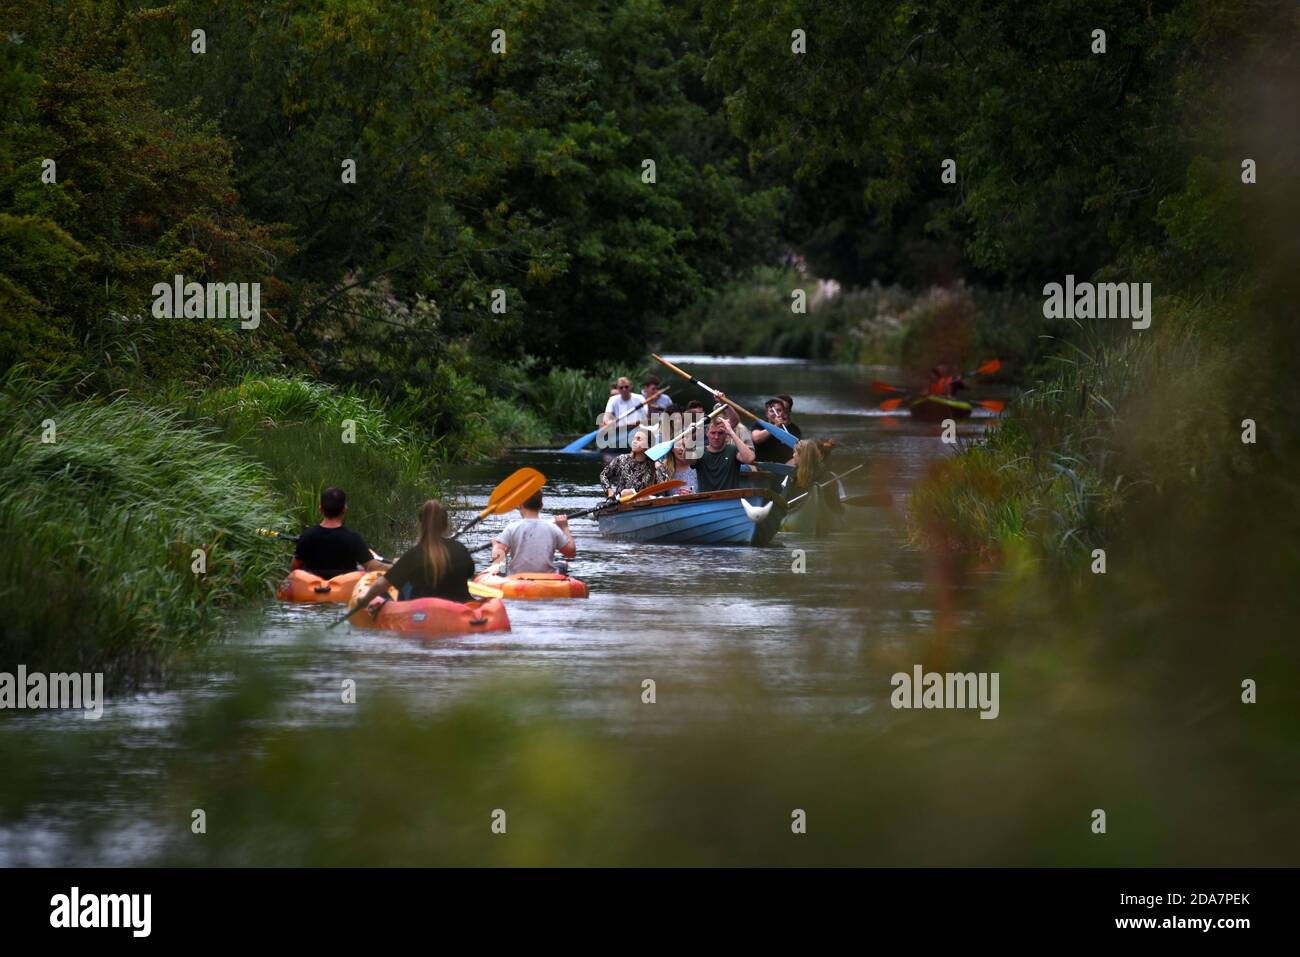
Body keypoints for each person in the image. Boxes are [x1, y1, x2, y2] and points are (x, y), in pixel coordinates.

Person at [353, 500, 477, 613]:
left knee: (399, 584)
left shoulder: (414, 554)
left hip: (425, 614)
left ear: (421, 525)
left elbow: (381, 585)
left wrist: (362, 602)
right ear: (445, 524)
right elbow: (470, 573)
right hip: (462, 609)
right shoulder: (460, 549)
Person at [293, 487, 388, 579]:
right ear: (344, 509)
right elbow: (373, 567)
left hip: (314, 589)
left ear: (321, 509)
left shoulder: (307, 535)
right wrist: (394, 566)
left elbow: (295, 566)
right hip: (344, 589)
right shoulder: (353, 538)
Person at [490, 491, 576, 573]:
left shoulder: (511, 528)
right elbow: (571, 553)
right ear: (541, 506)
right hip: (548, 577)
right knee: (563, 565)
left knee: (499, 569)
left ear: (520, 505)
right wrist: (564, 528)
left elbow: (498, 561)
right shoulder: (553, 528)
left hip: (517, 577)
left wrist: (496, 546)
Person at [692, 414, 755, 492]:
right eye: (713, 433)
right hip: (706, 501)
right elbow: (687, 460)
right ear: (707, 433)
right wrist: (690, 437)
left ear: (726, 434)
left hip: (730, 500)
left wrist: (732, 433)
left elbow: (749, 459)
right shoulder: (699, 451)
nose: (716, 437)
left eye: (720, 433)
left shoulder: (732, 450)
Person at [599, 427, 659, 498]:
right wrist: (610, 491)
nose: (634, 441)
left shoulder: (655, 465)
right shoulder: (621, 460)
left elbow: (665, 486)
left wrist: (659, 468)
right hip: (621, 501)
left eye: (639, 439)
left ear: (648, 445)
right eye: (634, 438)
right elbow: (603, 475)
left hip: (645, 502)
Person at [752, 397, 803, 464]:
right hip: (761, 464)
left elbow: (798, 449)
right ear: (767, 414)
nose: (776, 413)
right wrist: (775, 426)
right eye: (772, 411)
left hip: (784, 467)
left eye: (779, 410)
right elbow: (756, 438)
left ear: (784, 413)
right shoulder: (760, 424)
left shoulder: (793, 428)